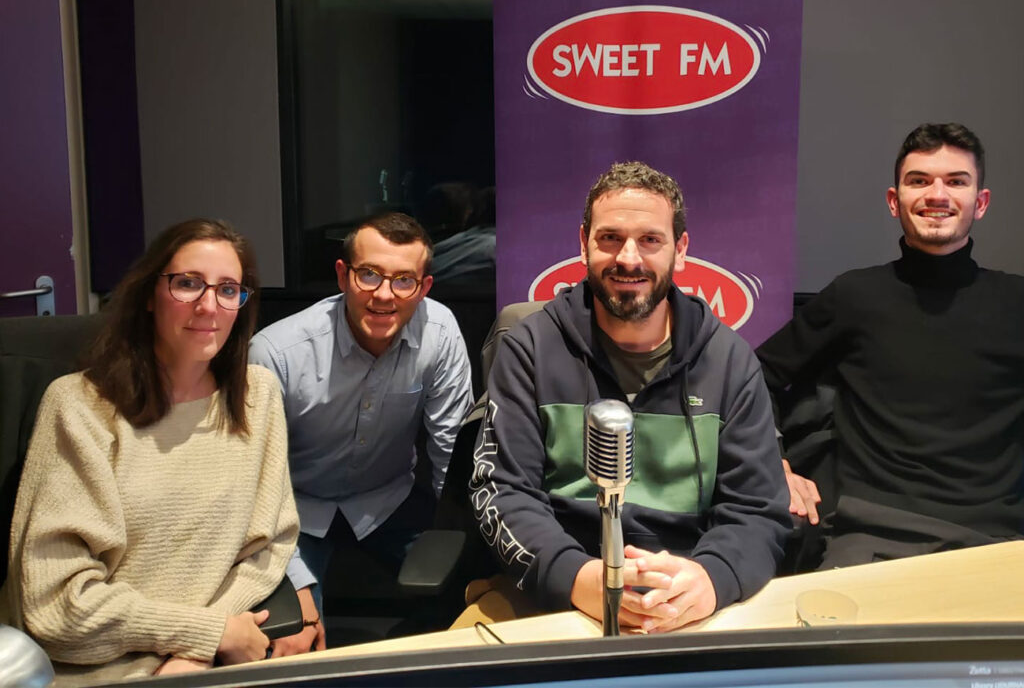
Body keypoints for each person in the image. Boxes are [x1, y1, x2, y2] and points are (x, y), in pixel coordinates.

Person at [465, 162, 790, 633]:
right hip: (553, 591)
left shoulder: (729, 360)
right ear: (583, 244)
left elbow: (758, 510)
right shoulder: (531, 347)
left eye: (650, 240)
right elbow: (502, 490)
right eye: (610, 238)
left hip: (686, 597)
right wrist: (577, 577)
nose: (629, 258)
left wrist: (711, 579)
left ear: (680, 250)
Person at [0, 219, 302, 684]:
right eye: (188, 284)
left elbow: (271, 545)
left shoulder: (255, 396)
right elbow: (56, 608)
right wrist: (206, 633)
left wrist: (200, 649)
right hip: (93, 670)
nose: (209, 306)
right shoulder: (80, 406)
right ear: (148, 294)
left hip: (206, 665)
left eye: (228, 290)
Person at [756, 123, 1024, 569]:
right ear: (894, 200)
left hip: (996, 542)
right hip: (869, 537)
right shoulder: (856, 296)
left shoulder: (1016, 303)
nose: (937, 194)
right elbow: (751, 379)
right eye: (919, 181)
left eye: (956, 181)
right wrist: (774, 465)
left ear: (980, 203)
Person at [249, 211, 473, 639]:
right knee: (293, 635)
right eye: (369, 275)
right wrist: (296, 584)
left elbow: (451, 454)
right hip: (295, 509)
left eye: (404, 280)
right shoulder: (276, 354)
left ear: (423, 287)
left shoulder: (440, 334)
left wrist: (462, 540)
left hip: (388, 499)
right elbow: (256, 488)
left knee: (475, 595)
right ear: (342, 275)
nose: (384, 295)